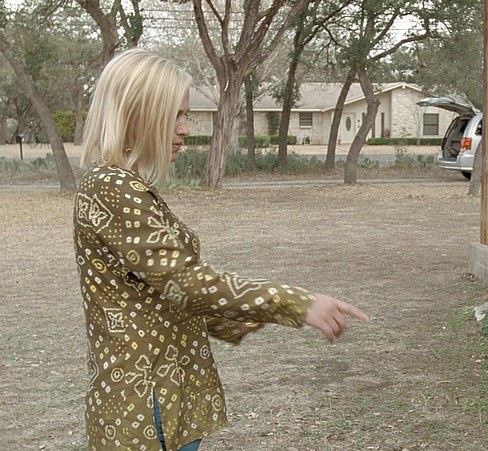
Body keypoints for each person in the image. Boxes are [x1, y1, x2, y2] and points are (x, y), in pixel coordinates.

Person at [73, 49, 369, 451]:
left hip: (167, 394)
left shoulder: (123, 186)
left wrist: (229, 321)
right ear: (136, 113)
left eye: (186, 115)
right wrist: (294, 303)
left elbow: (157, 291)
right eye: (175, 115)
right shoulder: (113, 187)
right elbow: (184, 280)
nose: (184, 129)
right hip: (145, 402)